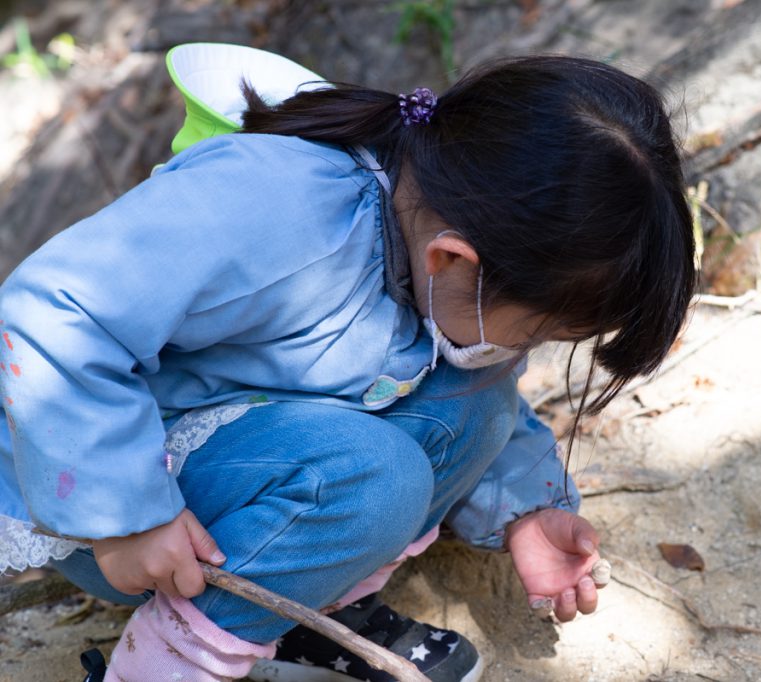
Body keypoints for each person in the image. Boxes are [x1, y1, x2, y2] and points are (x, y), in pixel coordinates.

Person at [0, 47, 696, 682]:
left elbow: (466, 384)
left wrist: (526, 510)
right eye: (534, 333)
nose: (523, 351)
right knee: (377, 476)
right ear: (452, 259)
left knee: (479, 400)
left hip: (239, 458)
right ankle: (165, 666)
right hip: (107, 500)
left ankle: (305, 611)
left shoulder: (427, 212)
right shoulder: (271, 208)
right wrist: (128, 515)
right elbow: (52, 313)